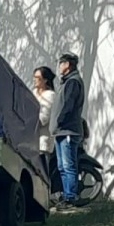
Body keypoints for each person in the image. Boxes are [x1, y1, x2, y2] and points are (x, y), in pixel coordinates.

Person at [49, 53, 85, 210]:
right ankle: (66, 194)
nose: (59, 67)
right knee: (62, 166)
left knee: (68, 165)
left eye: (61, 64)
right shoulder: (66, 82)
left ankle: (71, 197)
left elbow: (68, 105)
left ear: (68, 65)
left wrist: (60, 120)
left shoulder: (72, 82)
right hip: (61, 131)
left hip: (68, 130)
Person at [33, 66, 57, 173]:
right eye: (34, 77)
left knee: (42, 173)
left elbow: (43, 118)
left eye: (37, 77)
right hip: (31, 141)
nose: (34, 79)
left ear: (45, 80)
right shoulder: (34, 92)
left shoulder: (50, 95)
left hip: (42, 141)